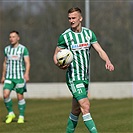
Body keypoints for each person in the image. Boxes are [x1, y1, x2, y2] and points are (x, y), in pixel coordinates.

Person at [53, 7, 114, 133]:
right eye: (69, 18)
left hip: (85, 77)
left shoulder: (88, 34)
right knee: (85, 106)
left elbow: (100, 50)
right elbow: (56, 55)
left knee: (76, 110)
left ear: (80, 18)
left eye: (74, 18)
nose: (71, 20)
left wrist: (107, 61)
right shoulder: (65, 36)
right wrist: (59, 65)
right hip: (73, 78)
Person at [1, 31, 30, 124]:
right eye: (10, 37)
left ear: (18, 38)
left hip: (19, 77)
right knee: (5, 95)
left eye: (13, 37)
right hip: (9, 77)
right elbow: (5, 63)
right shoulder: (7, 49)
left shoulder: (23, 49)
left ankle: (21, 116)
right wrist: (3, 75)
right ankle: (11, 113)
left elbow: (27, 62)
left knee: (20, 97)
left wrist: (26, 74)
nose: (11, 38)